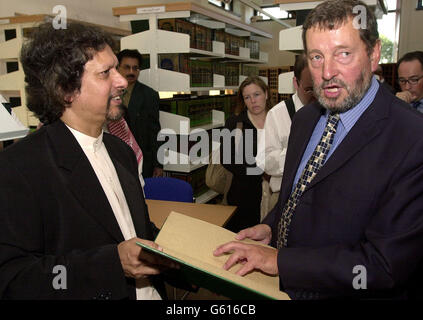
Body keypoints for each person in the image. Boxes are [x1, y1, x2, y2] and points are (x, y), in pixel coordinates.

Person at [214, 0, 423, 300]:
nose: (327, 72)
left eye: (343, 54)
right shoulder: (305, 119)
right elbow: (300, 194)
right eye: (316, 57)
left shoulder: (411, 139)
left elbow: (382, 266)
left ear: (374, 54)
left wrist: (281, 262)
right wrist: (273, 227)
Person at [0, 22, 178, 299]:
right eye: (106, 73)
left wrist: (193, 253)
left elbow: (134, 228)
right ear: (65, 91)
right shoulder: (19, 168)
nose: (121, 80)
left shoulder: (122, 151)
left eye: (116, 68)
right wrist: (111, 264)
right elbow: (13, 279)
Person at [256, 54, 316, 220]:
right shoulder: (277, 114)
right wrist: (300, 153)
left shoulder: (331, 111)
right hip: (283, 198)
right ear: (296, 83)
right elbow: (265, 161)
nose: (316, 96)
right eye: (309, 89)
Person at [221, 76, 270, 233]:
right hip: (243, 196)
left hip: (275, 194)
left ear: (266, 94)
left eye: (257, 95)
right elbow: (226, 159)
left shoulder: (279, 120)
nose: (253, 101)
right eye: (247, 97)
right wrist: (259, 171)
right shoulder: (235, 123)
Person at [116, 49, 163, 178]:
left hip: (141, 161)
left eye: (135, 68)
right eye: (126, 67)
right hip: (114, 158)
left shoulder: (149, 95)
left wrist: (158, 164)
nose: (131, 72)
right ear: (117, 68)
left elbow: (154, 131)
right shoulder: (107, 92)